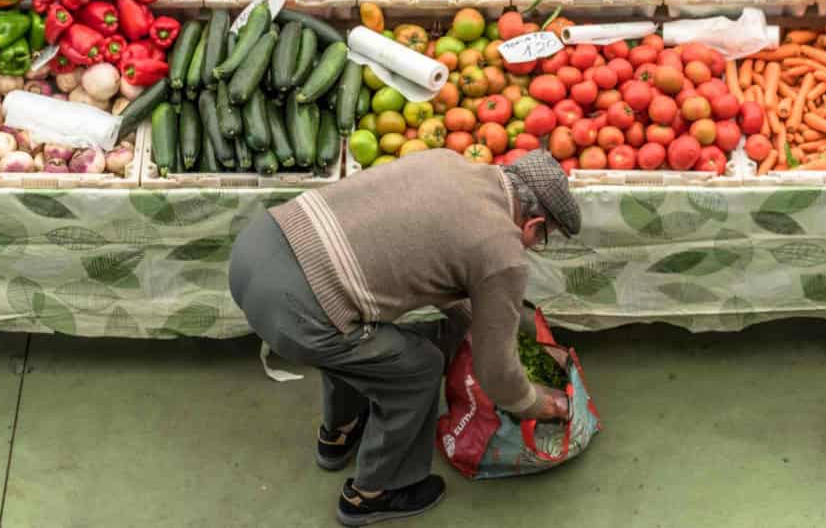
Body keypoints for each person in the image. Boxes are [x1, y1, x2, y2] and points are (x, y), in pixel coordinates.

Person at [228, 149, 581, 526]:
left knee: (357, 340)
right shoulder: (503, 250)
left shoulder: (446, 161)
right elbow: (495, 376)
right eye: (543, 239)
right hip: (298, 313)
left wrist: (483, 323)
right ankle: (374, 493)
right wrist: (538, 404)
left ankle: (339, 434)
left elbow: (433, 267)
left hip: (258, 247)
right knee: (417, 368)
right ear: (534, 224)